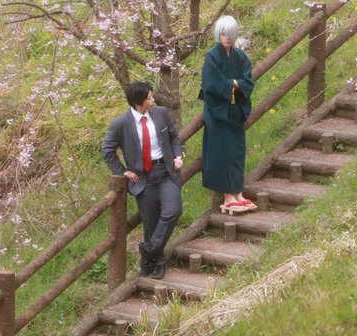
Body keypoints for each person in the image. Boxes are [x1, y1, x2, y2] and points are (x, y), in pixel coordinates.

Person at [101, 81, 183, 280]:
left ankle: (148, 250)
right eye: (149, 98)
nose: (153, 100)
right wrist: (123, 171)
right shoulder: (120, 124)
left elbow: (173, 137)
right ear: (138, 103)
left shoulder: (161, 114)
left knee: (173, 211)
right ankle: (157, 262)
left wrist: (178, 156)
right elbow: (107, 150)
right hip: (142, 179)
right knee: (150, 223)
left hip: (165, 172)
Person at [199, 15, 257, 214]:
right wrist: (233, 83)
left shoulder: (240, 57)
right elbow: (211, 84)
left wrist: (233, 82)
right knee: (221, 153)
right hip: (218, 113)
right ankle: (227, 195)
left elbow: (247, 80)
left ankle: (238, 193)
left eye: (230, 34)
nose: (226, 37)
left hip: (235, 112)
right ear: (218, 34)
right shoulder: (212, 57)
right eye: (223, 33)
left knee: (236, 152)